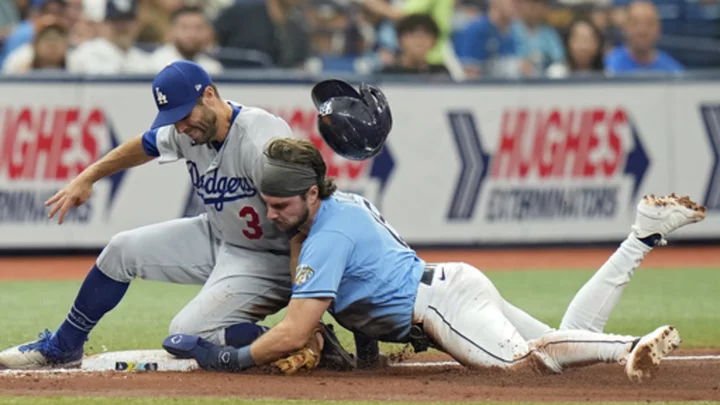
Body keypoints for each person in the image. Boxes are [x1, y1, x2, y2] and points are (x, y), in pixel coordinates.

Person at [162, 82, 707, 383]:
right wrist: (367, 357)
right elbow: (359, 288)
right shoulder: (341, 206)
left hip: (437, 305)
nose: (271, 213)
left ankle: (630, 346)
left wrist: (224, 356)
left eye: (279, 203)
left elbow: (292, 331)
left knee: (529, 362)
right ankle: (642, 236)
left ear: (308, 193)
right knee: (564, 336)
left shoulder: (324, 234)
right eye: (267, 203)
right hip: (450, 283)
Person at [0, 60, 355, 371]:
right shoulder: (188, 130)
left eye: (185, 115)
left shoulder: (260, 135)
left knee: (186, 334)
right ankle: (63, 346)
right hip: (222, 236)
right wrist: (89, 176)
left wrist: (305, 295)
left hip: (271, 256)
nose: (181, 126)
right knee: (121, 250)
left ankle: (309, 340)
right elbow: (145, 144)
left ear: (210, 95)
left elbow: (306, 209)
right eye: (174, 118)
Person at [604, 0, 683, 74]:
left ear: (659, 29)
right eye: (635, 23)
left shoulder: (673, 72)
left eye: (649, 23)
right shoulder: (607, 68)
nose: (642, 30)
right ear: (625, 27)